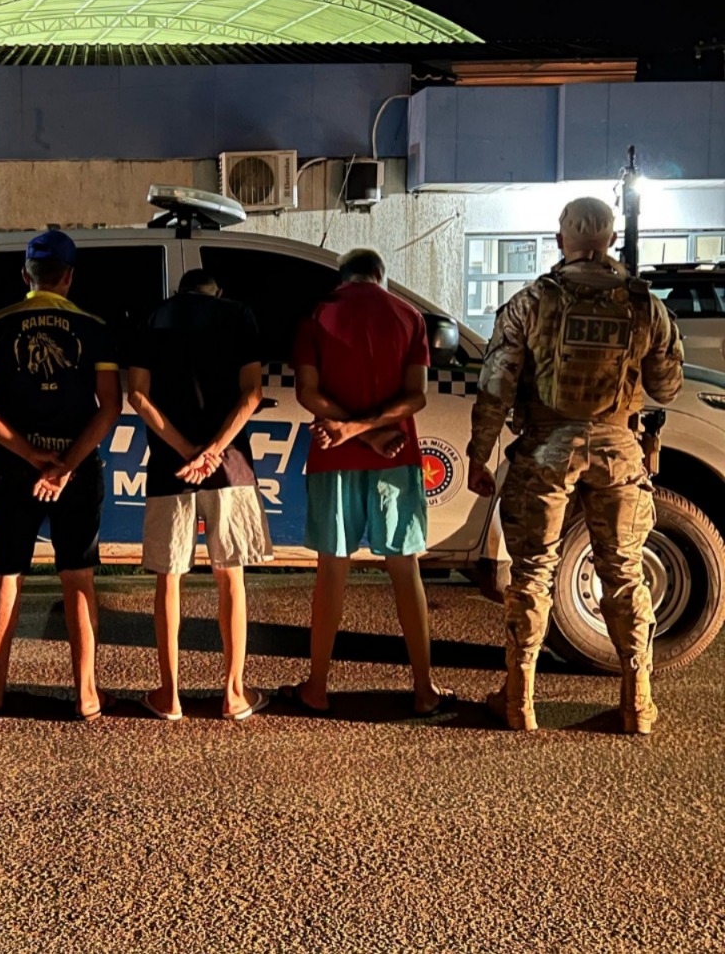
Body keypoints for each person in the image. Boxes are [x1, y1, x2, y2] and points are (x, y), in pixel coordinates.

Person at [467, 198, 683, 734]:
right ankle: (638, 703)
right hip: (619, 452)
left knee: (533, 573)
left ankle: (519, 700)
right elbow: (667, 387)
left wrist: (479, 453)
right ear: (611, 240)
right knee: (624, 573)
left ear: (561, 239)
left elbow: (496, 385)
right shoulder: (645, 305)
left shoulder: (532, 300)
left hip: (545, 451)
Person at [0, 230, 122, 720]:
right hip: (77, 470)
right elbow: (109, 407)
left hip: (18, 469)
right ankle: (87, 695)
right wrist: (66, 464)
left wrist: (32, 455)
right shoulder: (94, 328)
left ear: (26, 276)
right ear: (69, 277)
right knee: (78, 577)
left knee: (7, 573)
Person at [288, 248, 453, 716]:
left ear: (342, 278)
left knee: (331, 571)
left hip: (333, 459)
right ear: (380, 276)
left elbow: (307, 392)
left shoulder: (317, 316)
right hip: (397, 458)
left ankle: (317, 687)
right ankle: (424, 689)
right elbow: (416, 396)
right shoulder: (409, 316)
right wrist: (374, 432)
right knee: (405, 570)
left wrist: (350, 430)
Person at [127, 268, 272, 721]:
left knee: (169, 577)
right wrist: (213, 450)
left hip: (170, 466)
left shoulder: (153, 317)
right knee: (230, 576)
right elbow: (252, 394)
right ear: (217, 291)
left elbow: (137, 395)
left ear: (180, 291)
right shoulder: (239, 315)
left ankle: (169, 696)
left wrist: (187, 450)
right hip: (229, 464)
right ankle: (233, 694)